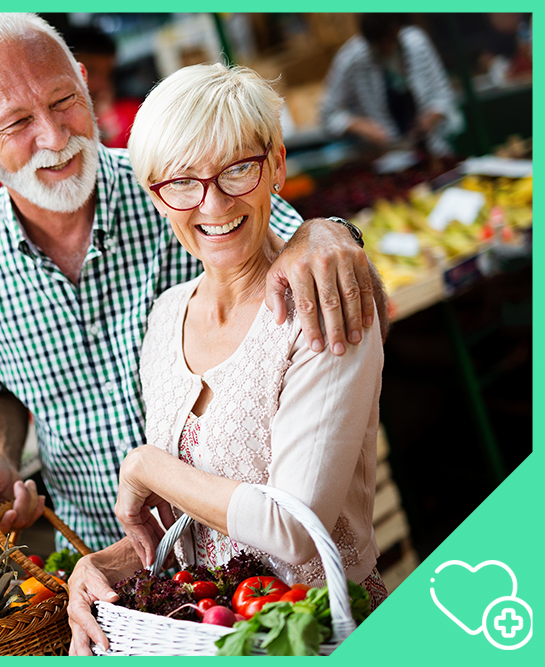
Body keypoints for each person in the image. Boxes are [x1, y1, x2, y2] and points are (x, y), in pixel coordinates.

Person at [0, 13, 385, 554]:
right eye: (16, 123)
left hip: (237, 553)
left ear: (85, 81)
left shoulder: (174, 184)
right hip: (98, 556)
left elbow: (298, 246)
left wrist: (326, 231)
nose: (53, 137)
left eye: (62, 101)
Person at [68, 63, 387, 654]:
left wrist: (144, 466)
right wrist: (109, 565)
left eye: (237, 169)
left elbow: (292, 529)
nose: (212, 203)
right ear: (155, 195)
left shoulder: (321, 305)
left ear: (277, 166)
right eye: (182, 182)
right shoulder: (165, 318)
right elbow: (197, 515)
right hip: (211, 636)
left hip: (320, 636)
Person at [318, 14, 463, 157]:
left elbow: (443, 94)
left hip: (434, 151)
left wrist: (431, 118)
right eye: (379, 44)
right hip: (384, 158)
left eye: (389, 40)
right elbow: (328, 116)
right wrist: (361, 126)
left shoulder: (417, 43)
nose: (386, 48)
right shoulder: (351, 59)